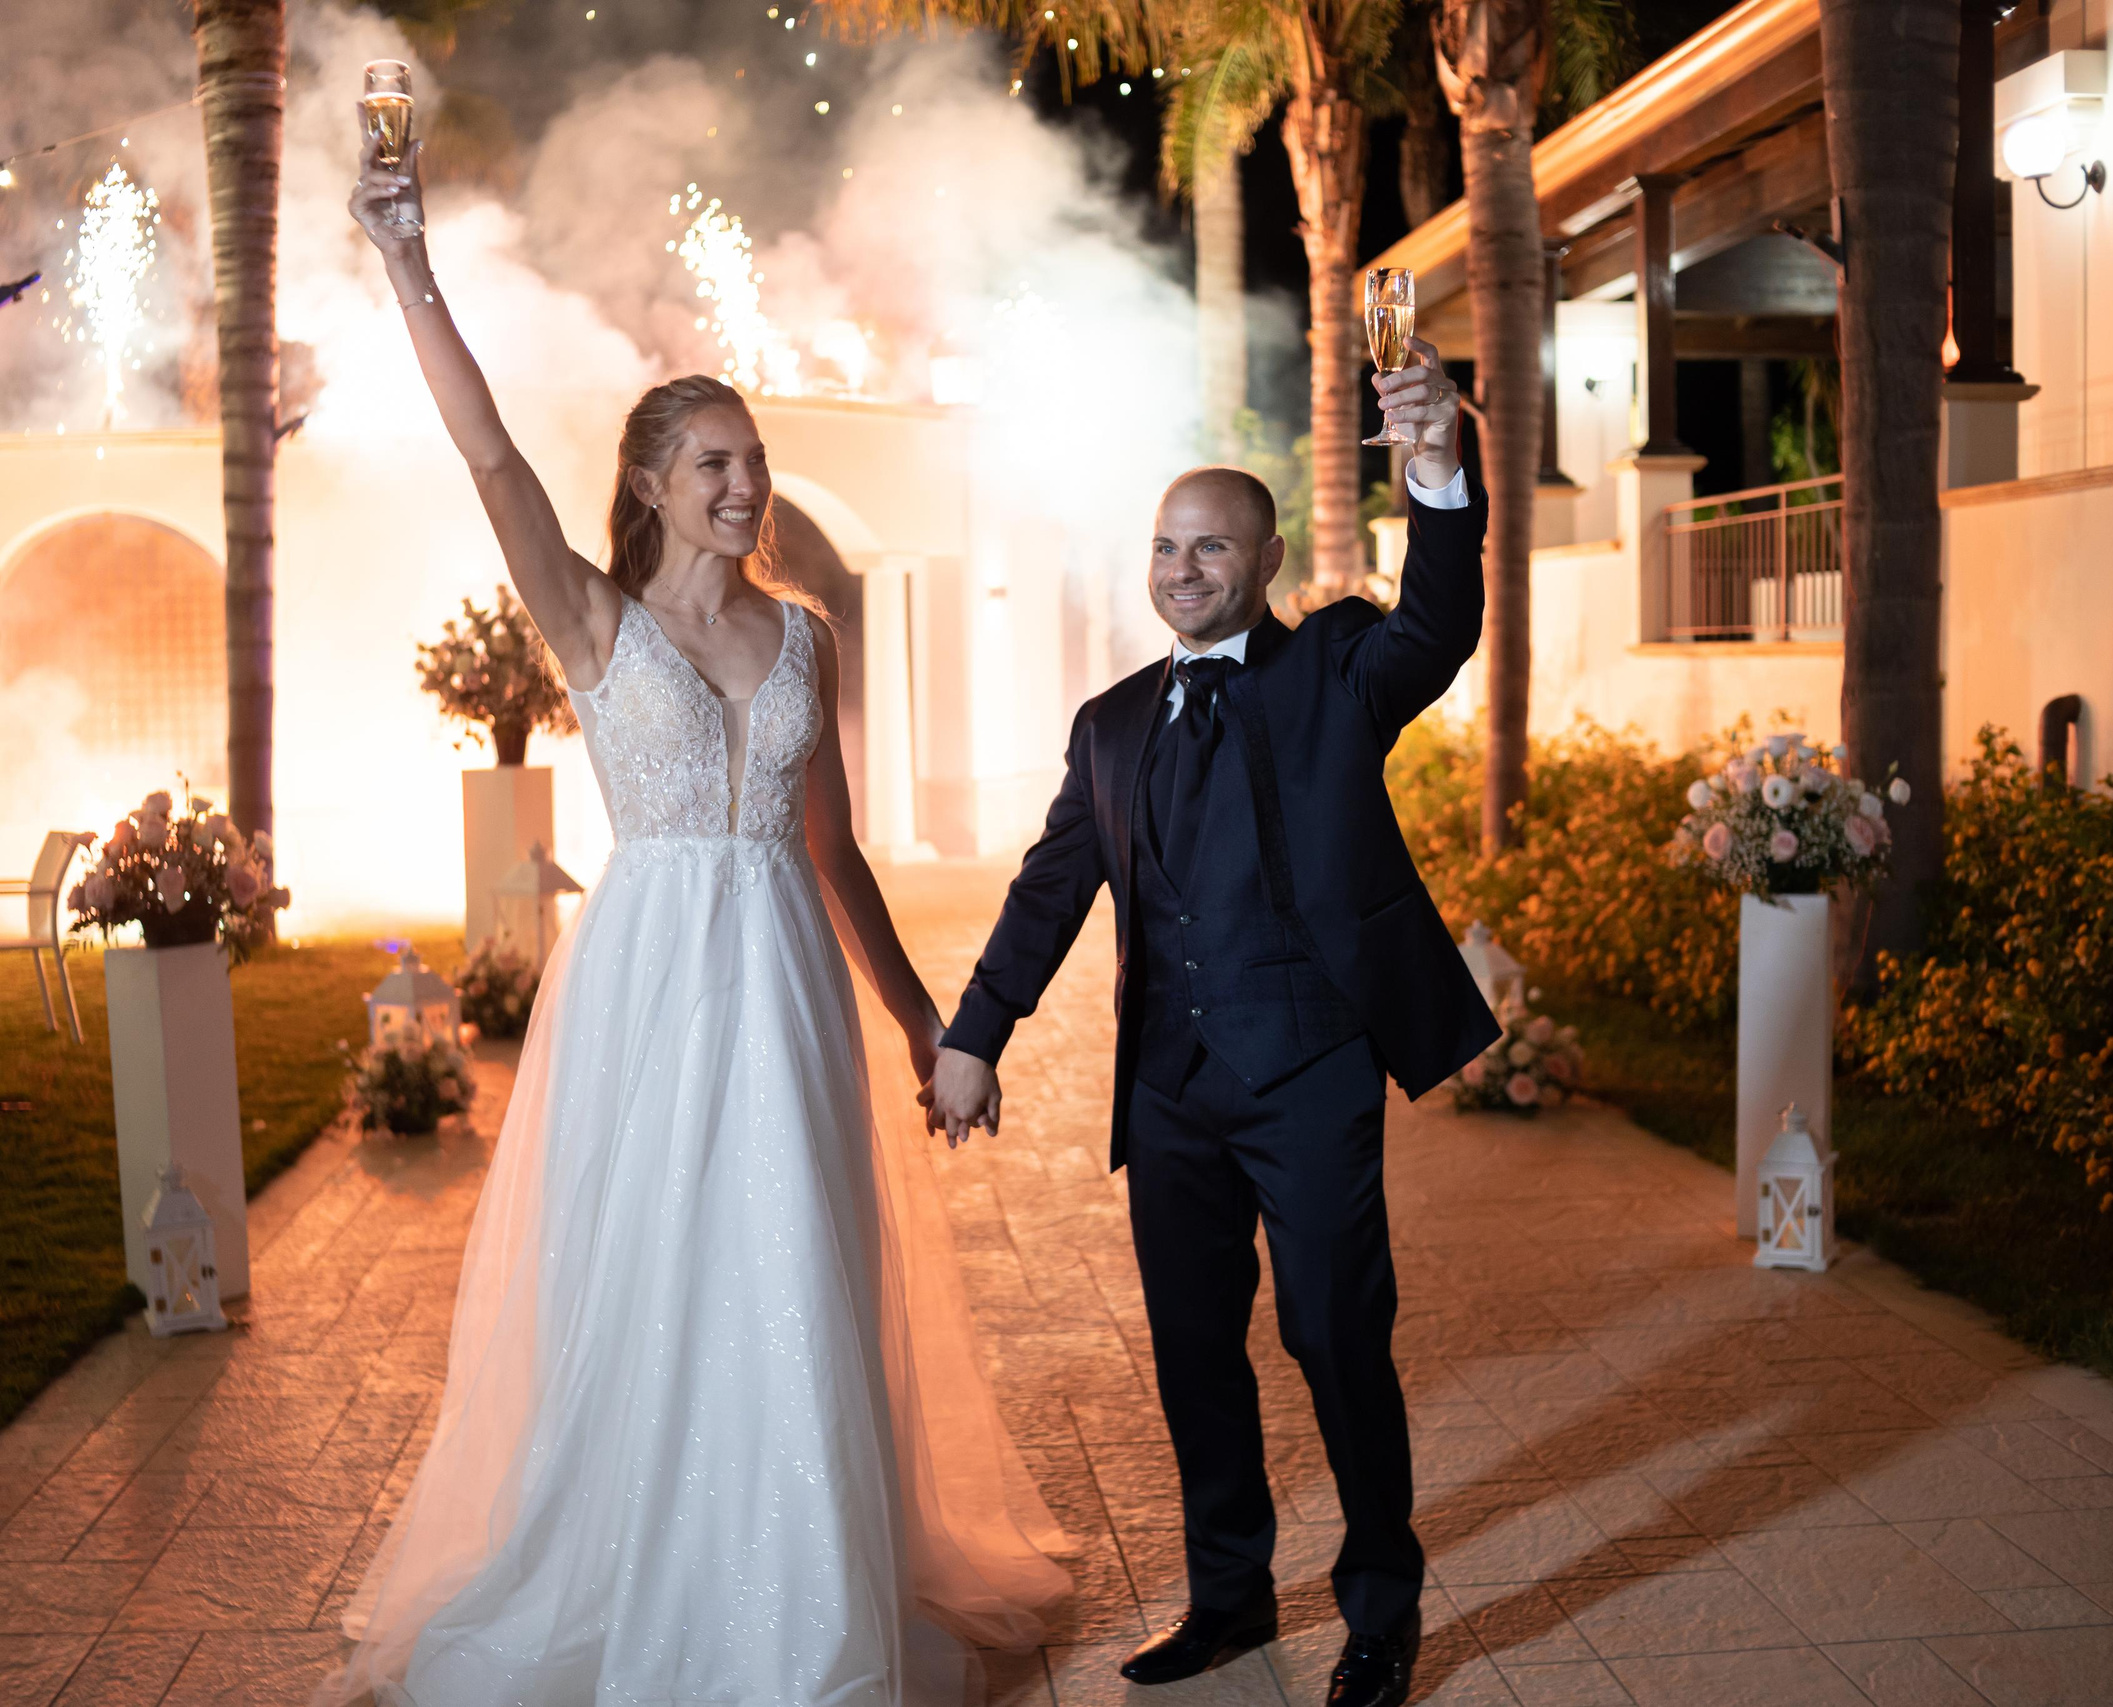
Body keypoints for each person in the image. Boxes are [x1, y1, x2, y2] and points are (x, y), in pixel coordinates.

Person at [317, 143, 1066, 1705]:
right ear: (651, 483)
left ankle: (806, 1599)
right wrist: (408, 268)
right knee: (655, 1272)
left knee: (793, 1265)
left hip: (786, 977)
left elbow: (839, 851)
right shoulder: (592, 617)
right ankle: (641, 1571)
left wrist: (930, 1026)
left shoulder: (802, 634)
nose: (742, 481)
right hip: (651, 985)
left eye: (753, 457)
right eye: (709, 460)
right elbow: (491, 458)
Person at [927, 341, 1499, 1707]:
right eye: (1166, 547)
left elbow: (1443, 620)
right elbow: (1053, 886)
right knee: (1193, 1348)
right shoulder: (1112, 722)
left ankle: (1380, 1609)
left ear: (1268, 555)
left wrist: (1436, 467)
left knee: (1334, 1333)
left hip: (1305, 1071)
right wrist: (977, 1028)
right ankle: (1231, 1597)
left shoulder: (1342, 667)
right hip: (1172, 1089)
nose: (1182, 569)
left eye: (1210, 548)